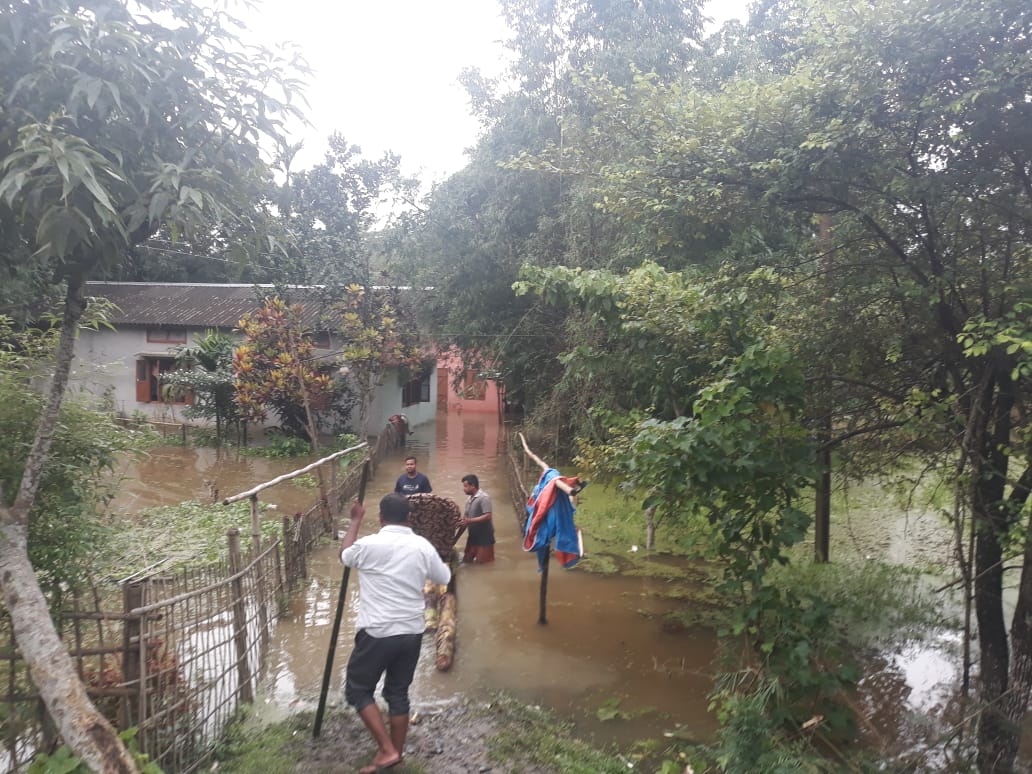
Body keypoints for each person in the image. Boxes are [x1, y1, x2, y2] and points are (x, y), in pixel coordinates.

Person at [339, 493, 451, 773]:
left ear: (380, 518)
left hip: (377, 631)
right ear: (410, 518)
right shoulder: (421, 546)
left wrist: (354, 521)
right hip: (411, 631)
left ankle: (388, 751)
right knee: (397, 692)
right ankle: (395, 753)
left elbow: (345, 555)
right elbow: (444, 578)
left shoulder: (368, 545)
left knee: (357, 689)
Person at [460, 473, 495, 564]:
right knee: (466, 561)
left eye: (465, 486)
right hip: (473, 536)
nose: (464, 488)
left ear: (473, 486)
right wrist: (455, 538)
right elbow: (465, 521)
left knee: (484, 563)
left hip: (484, 536)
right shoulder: (468, 500)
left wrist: (469, 521)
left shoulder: (484, 498)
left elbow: (488, 516)